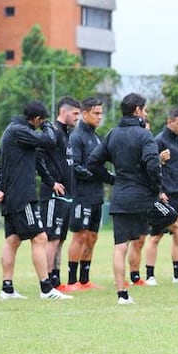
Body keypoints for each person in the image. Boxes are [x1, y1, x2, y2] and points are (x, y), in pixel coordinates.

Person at [87, 93, 178, 304]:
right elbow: (152, 164)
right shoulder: (144, 135)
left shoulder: (112, 135)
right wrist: (155, 189)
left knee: (120, 246)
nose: (145, 113)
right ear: (137, 110)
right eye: (144, 109)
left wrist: (113, 180)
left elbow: (92, 162)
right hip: (144, 197)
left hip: (120, 197)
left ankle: (122, 295)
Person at [0, 102, 72, 300]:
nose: (42, 124)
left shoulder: (19, 133)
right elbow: (49, 141)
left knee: (12, 240)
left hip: (12, 195)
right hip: (22, 196)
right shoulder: (19, 130)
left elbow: (35, 161)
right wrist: (47, 126)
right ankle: (46, 289)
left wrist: (51, 183)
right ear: (36, 119)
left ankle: (7, 289)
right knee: (40, 238)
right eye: (41, 121)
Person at [143, 107, 178, 285]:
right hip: (166, 195)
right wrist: (159, 191)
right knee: (156, 236)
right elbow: (151, 167)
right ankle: (150, 275)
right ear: (169, 122)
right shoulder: (159, 140)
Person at [65, 96, 112, 290]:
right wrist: (93, 174)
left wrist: (112, 178)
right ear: (85, 114)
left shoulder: (96, 136)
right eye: (96, 113)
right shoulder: (76, 137)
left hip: (96, 195)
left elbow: (100, 165)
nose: (100, 117)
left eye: (101, 113)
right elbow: (74, 166)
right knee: (80, 236)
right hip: (81, 195)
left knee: (92, 237)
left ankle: (84, 280)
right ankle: (72, 281)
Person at [39, 96, 80, 290]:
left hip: (67, 195)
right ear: (64, 112)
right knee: (51, 238)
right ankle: (47, 282)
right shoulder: (52, 132)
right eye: (75, 113)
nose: (77, 117)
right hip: (53, 195)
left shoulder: (66, 134)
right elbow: (38, 158)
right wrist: (51, 182)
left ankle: (56, 279)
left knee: (60, 239)